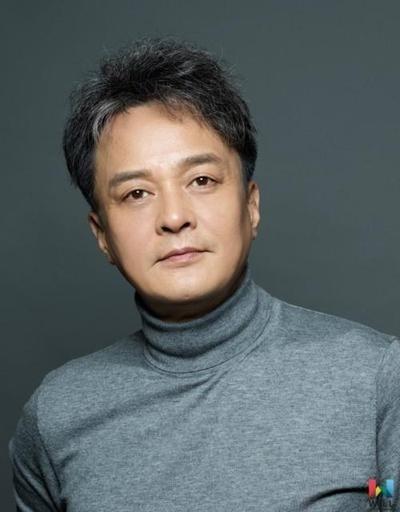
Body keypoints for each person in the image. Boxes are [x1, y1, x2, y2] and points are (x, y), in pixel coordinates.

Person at [8, 37, 399, 512]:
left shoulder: (375, 378)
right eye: (136, 193)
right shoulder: (57, 416)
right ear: (102, 235)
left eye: (202, 180)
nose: (174, 217)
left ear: (251, 206)